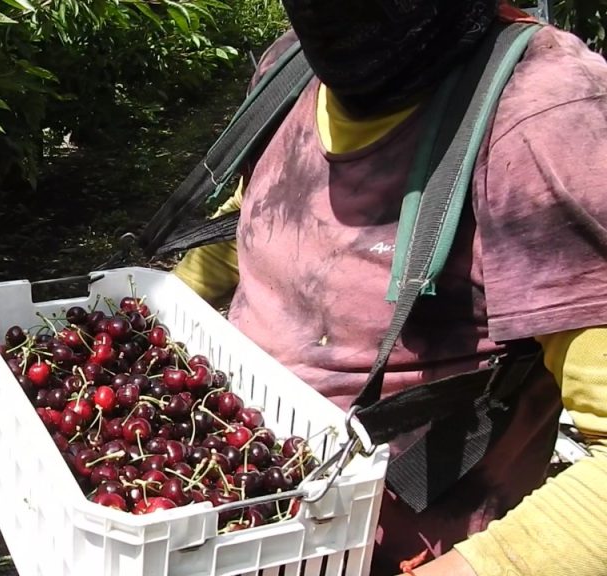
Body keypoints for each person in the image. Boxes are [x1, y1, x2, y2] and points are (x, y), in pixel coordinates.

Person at [171, 1, 607, 575]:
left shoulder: (545, 113)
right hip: (240, 497)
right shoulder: (293, 66)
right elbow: (259, 215)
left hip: (394, 548)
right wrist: (163, 310)